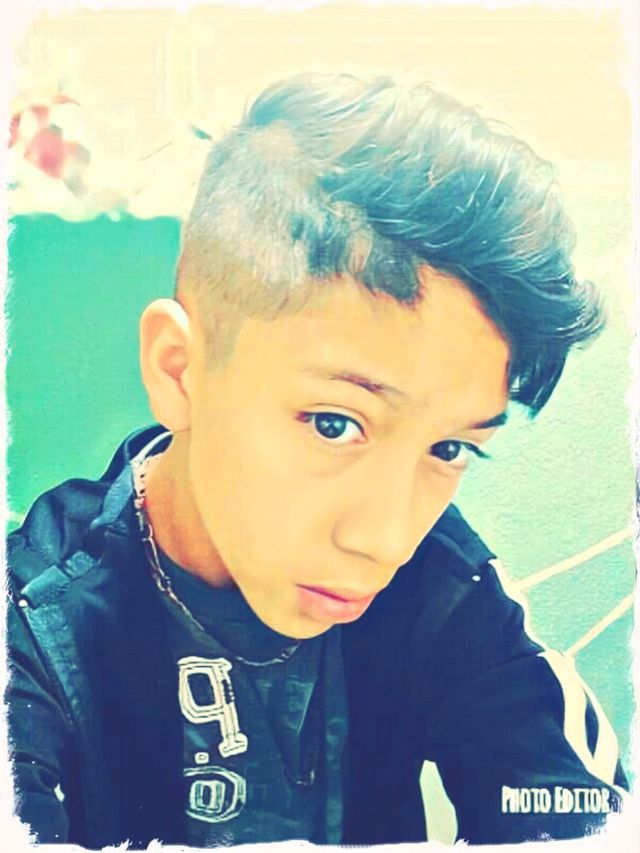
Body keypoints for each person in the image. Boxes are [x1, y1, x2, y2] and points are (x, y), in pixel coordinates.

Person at [6, 73, 627, 847]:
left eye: (449, 448)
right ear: (179, 370)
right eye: (335, 423)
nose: (386, 539)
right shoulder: (31, 630)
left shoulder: (444, 586)